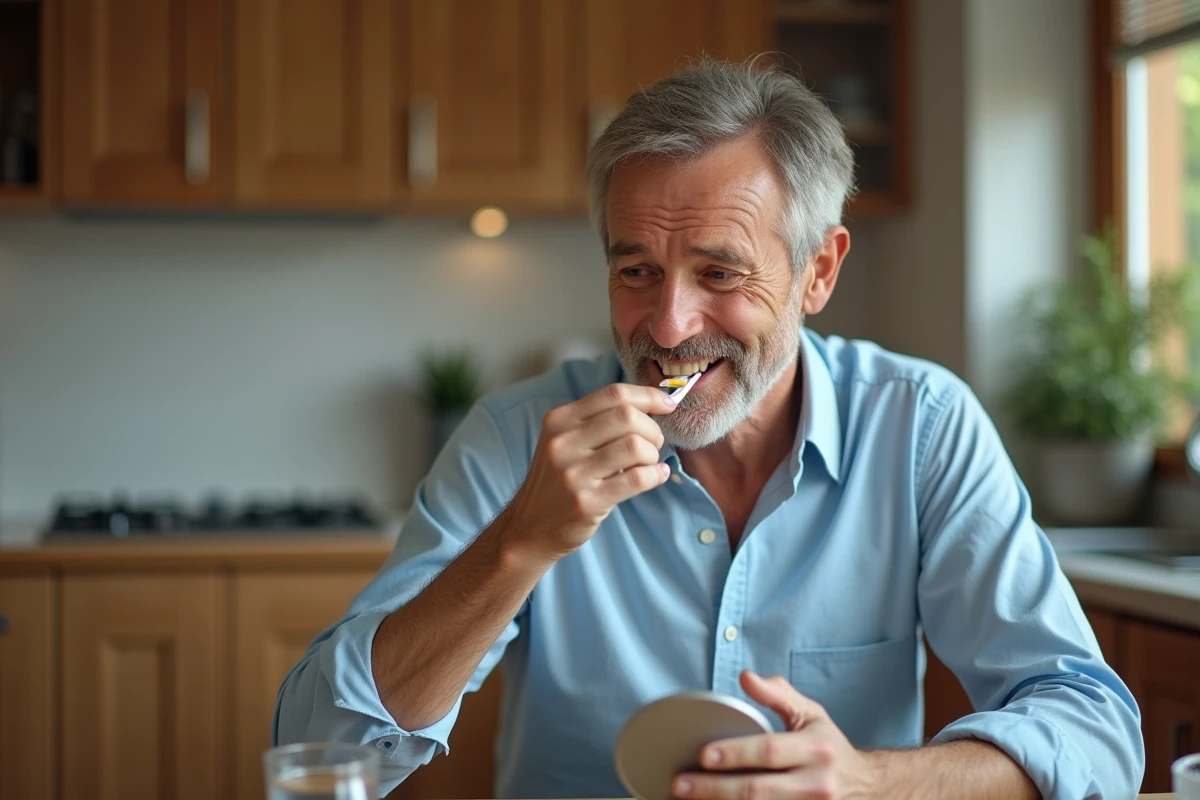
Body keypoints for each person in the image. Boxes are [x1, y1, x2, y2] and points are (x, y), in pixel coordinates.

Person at [274, 59, 1143, 799]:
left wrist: (871, 782)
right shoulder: (516, 439)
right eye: (636, 271)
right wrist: (519, 544)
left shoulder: (922, 427)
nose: (667, 325)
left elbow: (1094, 729)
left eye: (719, 273)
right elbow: (320, 749)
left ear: (818, 271)